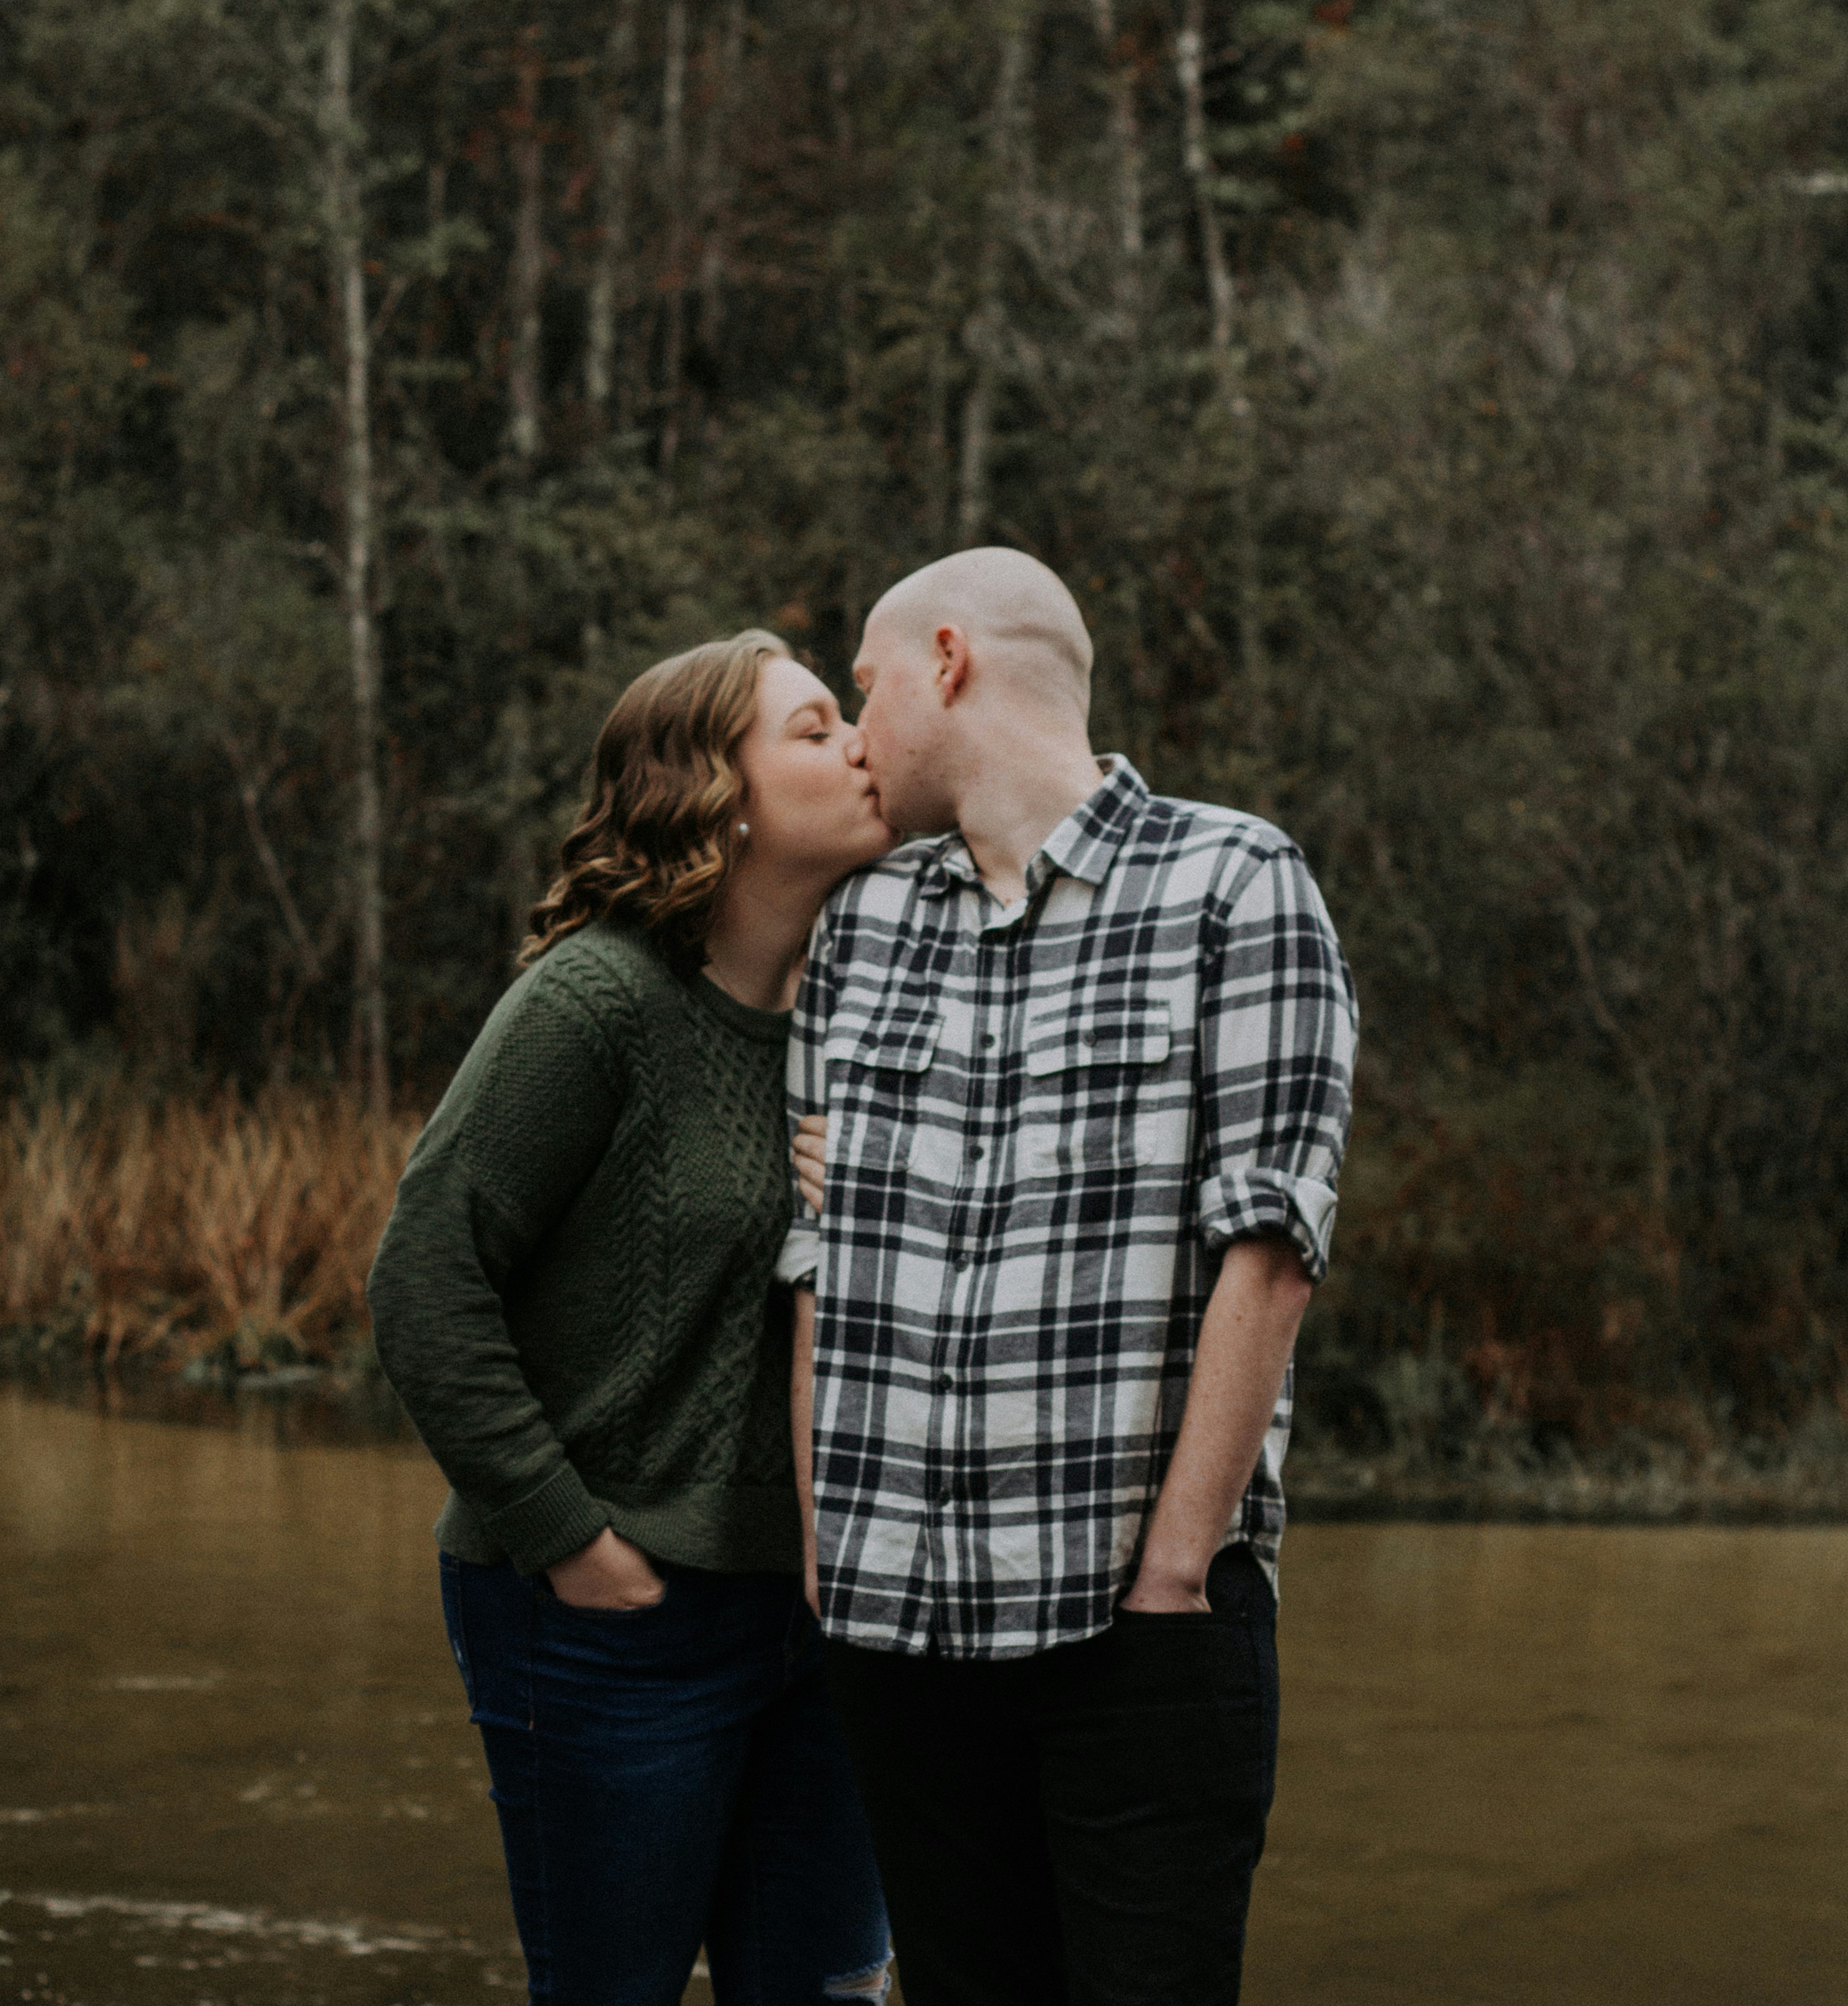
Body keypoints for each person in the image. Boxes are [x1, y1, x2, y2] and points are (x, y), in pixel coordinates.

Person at [782, 549, 1358, 2006]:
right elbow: (816, 1262)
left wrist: (1172, 1575)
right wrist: (820, 1549)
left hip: (1132, 1636)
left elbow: (1270, 1255)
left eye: (862, 685)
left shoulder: (1233, 882)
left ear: (949, 659)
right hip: (894, 1628)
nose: (852, 736)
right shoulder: (861, 926)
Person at [366, 630, 895, 2006]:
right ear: (717, 792)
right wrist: (572, 1541)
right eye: (813, 726)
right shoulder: (594, 1001)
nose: (858, 745)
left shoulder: (856, 1022)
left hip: (817, 1624)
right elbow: (423, 1276)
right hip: (608, 1622)